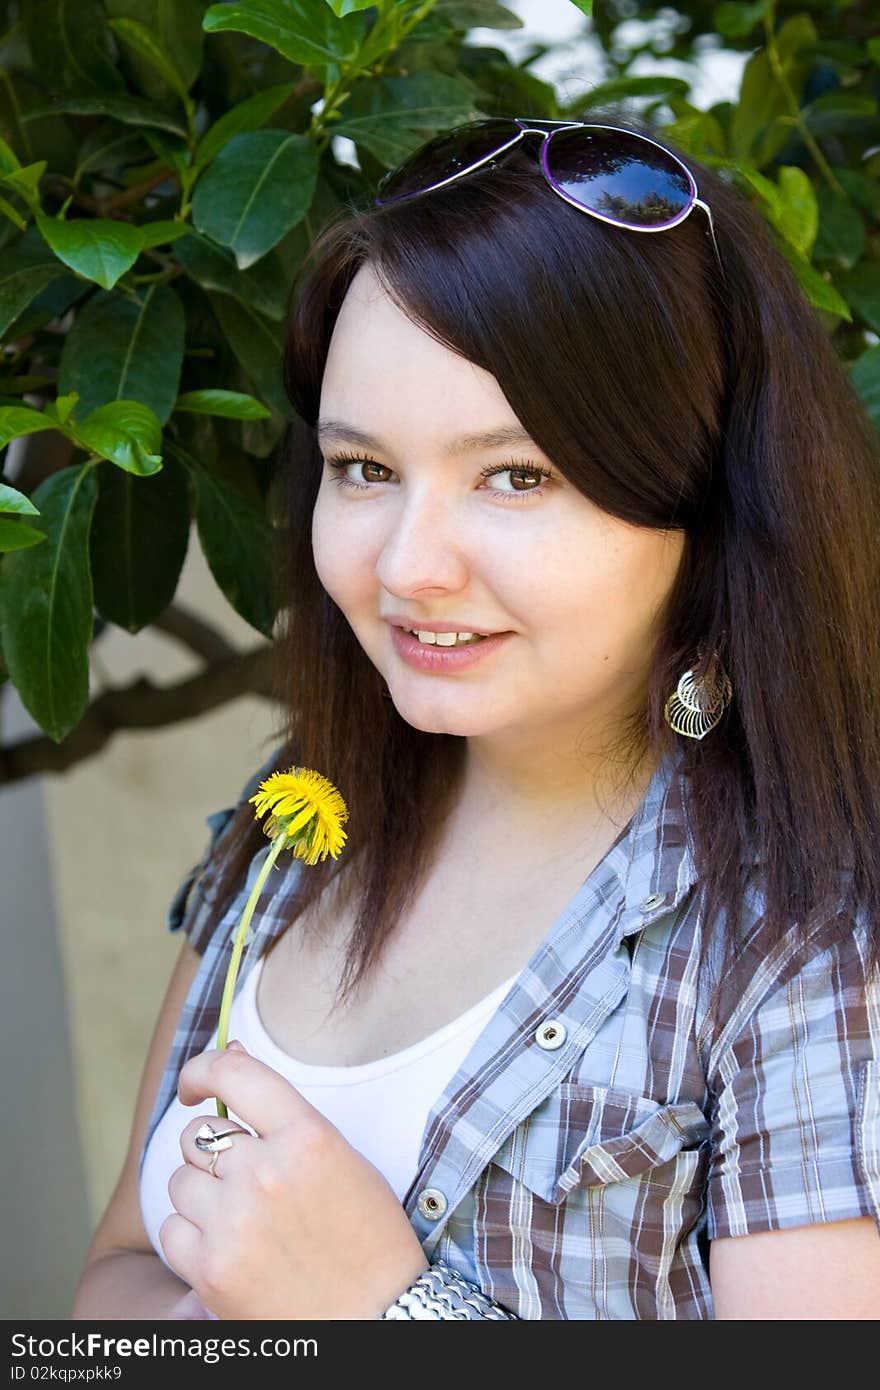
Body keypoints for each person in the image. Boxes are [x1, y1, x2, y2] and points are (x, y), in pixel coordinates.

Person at [71, 110, 880, 1320]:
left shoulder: (805, 929)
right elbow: (117, 1281)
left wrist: (382, 1311)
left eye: (515, 476)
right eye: (365, 469)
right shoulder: (298, 815)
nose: (408, 566)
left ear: (701, 499)